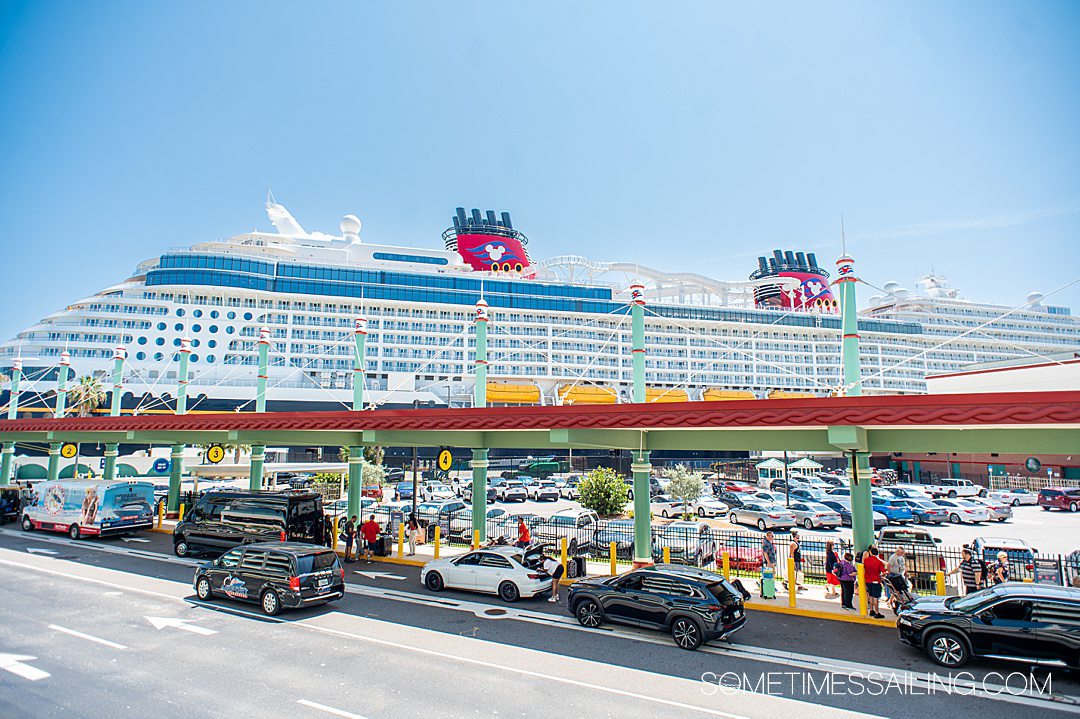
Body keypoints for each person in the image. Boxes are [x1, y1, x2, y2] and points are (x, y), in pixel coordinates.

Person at [861, 546, 887, 619]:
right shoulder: (879, 562)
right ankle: (877, 612)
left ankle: (871, 610)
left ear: (870, 553)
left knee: (871, 595)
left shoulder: (866, 560)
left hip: (867, 580)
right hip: (876, 580)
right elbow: (884, 572)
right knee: (876, 598)